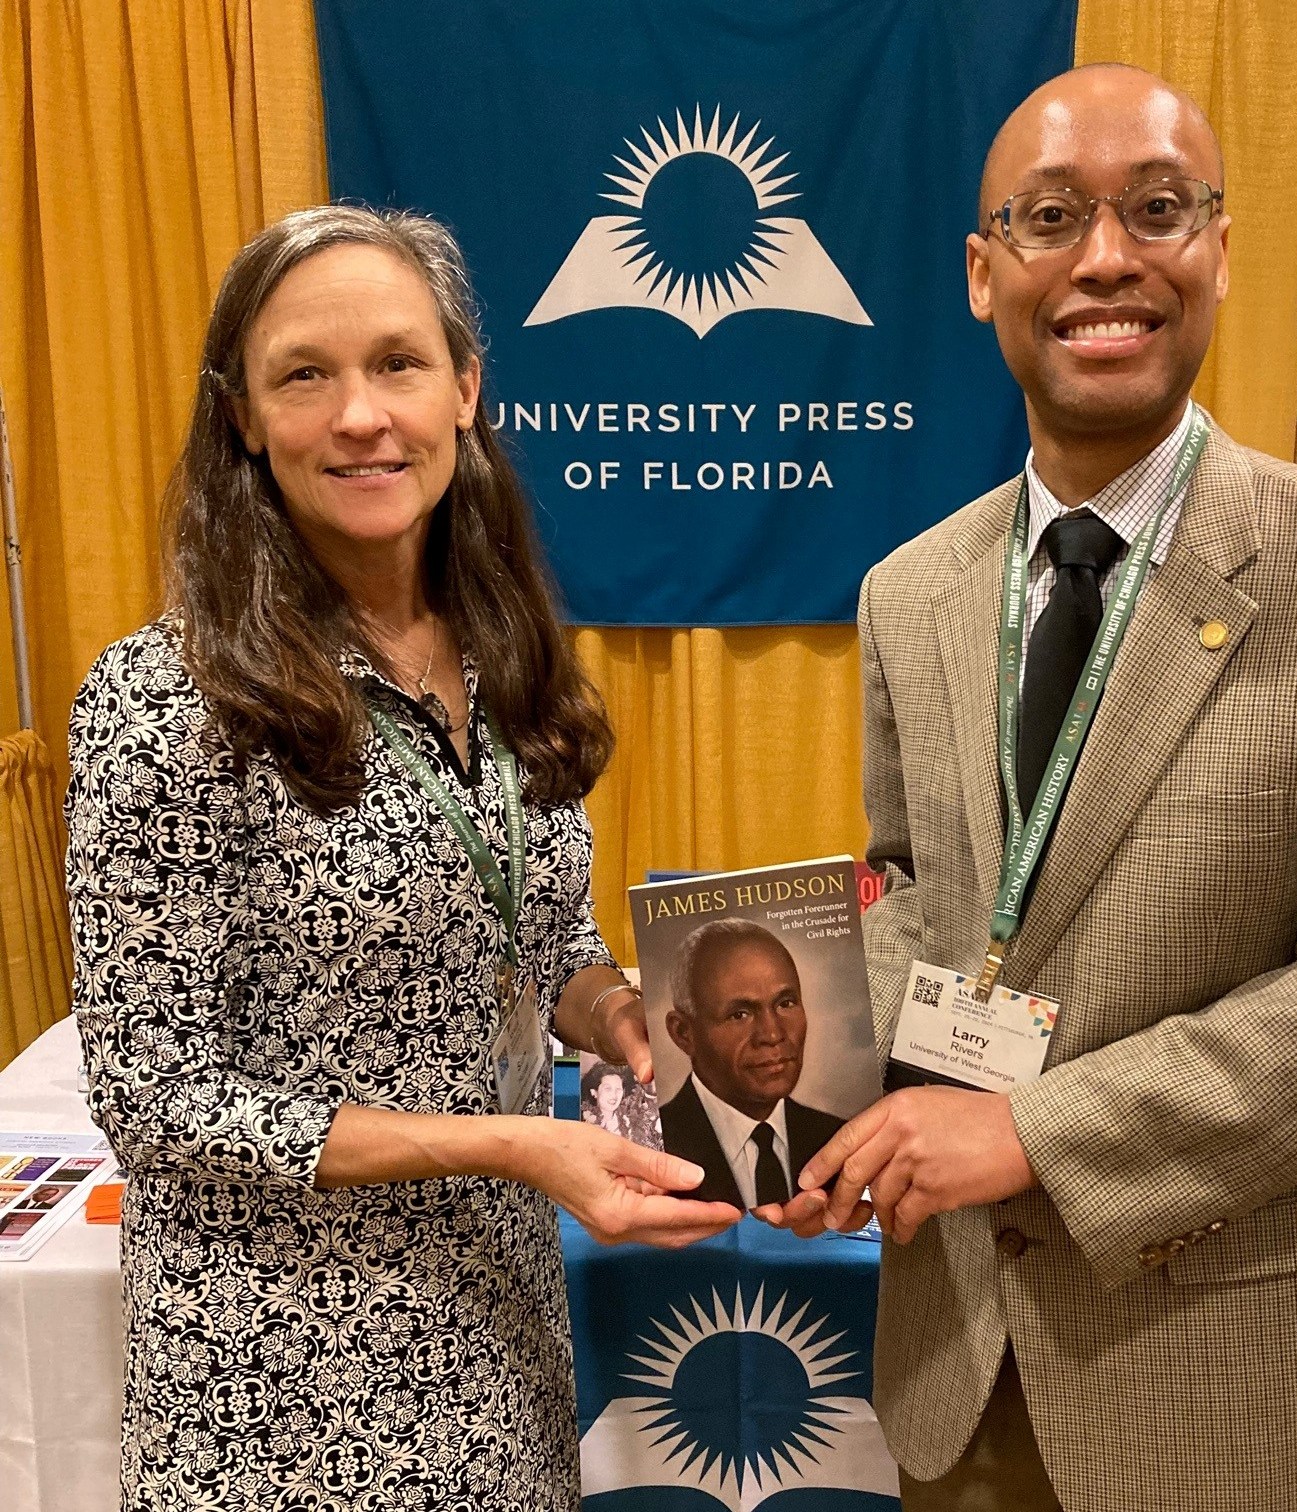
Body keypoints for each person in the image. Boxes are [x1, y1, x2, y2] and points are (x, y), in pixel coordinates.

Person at [758, 64, 1297, 1512]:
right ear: (985, 276)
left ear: (1221, 251)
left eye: (1157, 210)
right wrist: (817, 1098)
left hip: (1241, 1394)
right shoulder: (909, 592)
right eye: (1051, 219)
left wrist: (1028, 1134)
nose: (1106, 258)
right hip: (959, 1370)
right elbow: (917, 884)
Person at [65, 205, 739, 1512]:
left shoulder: (510, 656)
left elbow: (543, 942)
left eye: (398, 362)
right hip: (283, 1386)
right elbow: (155, 1100)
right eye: (304, 375)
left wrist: (621, 1018)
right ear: (245, 418)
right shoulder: (162, 703)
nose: (361, 414)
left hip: (497, 1335)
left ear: (467, 388)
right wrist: (509, 1144)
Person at [659, 918, 844, 1208]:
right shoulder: (656, 1147)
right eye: (740, 1014)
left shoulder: (835, 1138)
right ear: (684, 1033)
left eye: (785, 1004)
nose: (772, 1034)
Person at [580, 1057, 663, 1149]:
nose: (614, 1095)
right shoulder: (583, 1122)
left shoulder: (629, 1123)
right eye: (608, 1089)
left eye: (618, 1089)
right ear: (594, 1092)